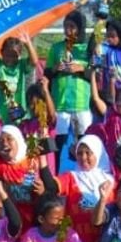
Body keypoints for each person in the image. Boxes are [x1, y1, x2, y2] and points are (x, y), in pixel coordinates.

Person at [46, 11, 93, 150]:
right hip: (60, 104)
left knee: (84, 143)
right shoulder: (56, 48)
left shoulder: (88, 49)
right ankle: (56, 170)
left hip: (81, 104)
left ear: (80, 28)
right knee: (58, 145)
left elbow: (95, 75)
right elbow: (46, 74)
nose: (68, 30)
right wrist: (55, 68)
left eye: (72, 27)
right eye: (65, 26)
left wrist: (81, 69)